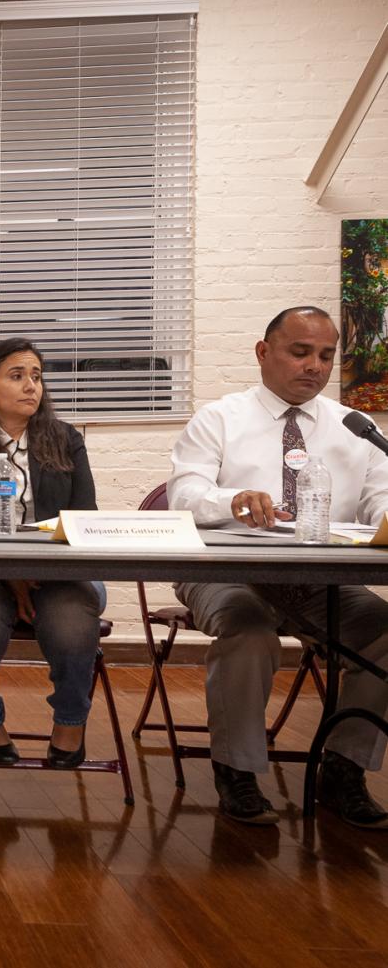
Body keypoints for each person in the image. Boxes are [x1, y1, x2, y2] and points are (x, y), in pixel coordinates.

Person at [169, 306, 388, 828]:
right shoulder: (220, 418)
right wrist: (230, 501)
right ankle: (237, 770)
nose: (314, 365)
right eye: (300, 351)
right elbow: (184, 494)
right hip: (225, 571)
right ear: (264, 353)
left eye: (326, 355)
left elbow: (381, 502)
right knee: (249, 630)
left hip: (319, 580)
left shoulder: (355, 428)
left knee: (387, 634)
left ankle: (343, 768)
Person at [0, 338, 102, 769]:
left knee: (70, 622)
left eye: (37, 377)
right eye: (17, 375)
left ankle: (70, 720)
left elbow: (83, 515)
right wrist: (13, 575)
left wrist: (33, 570)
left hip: (59, 570)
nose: (31, 386)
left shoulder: (64, 439)